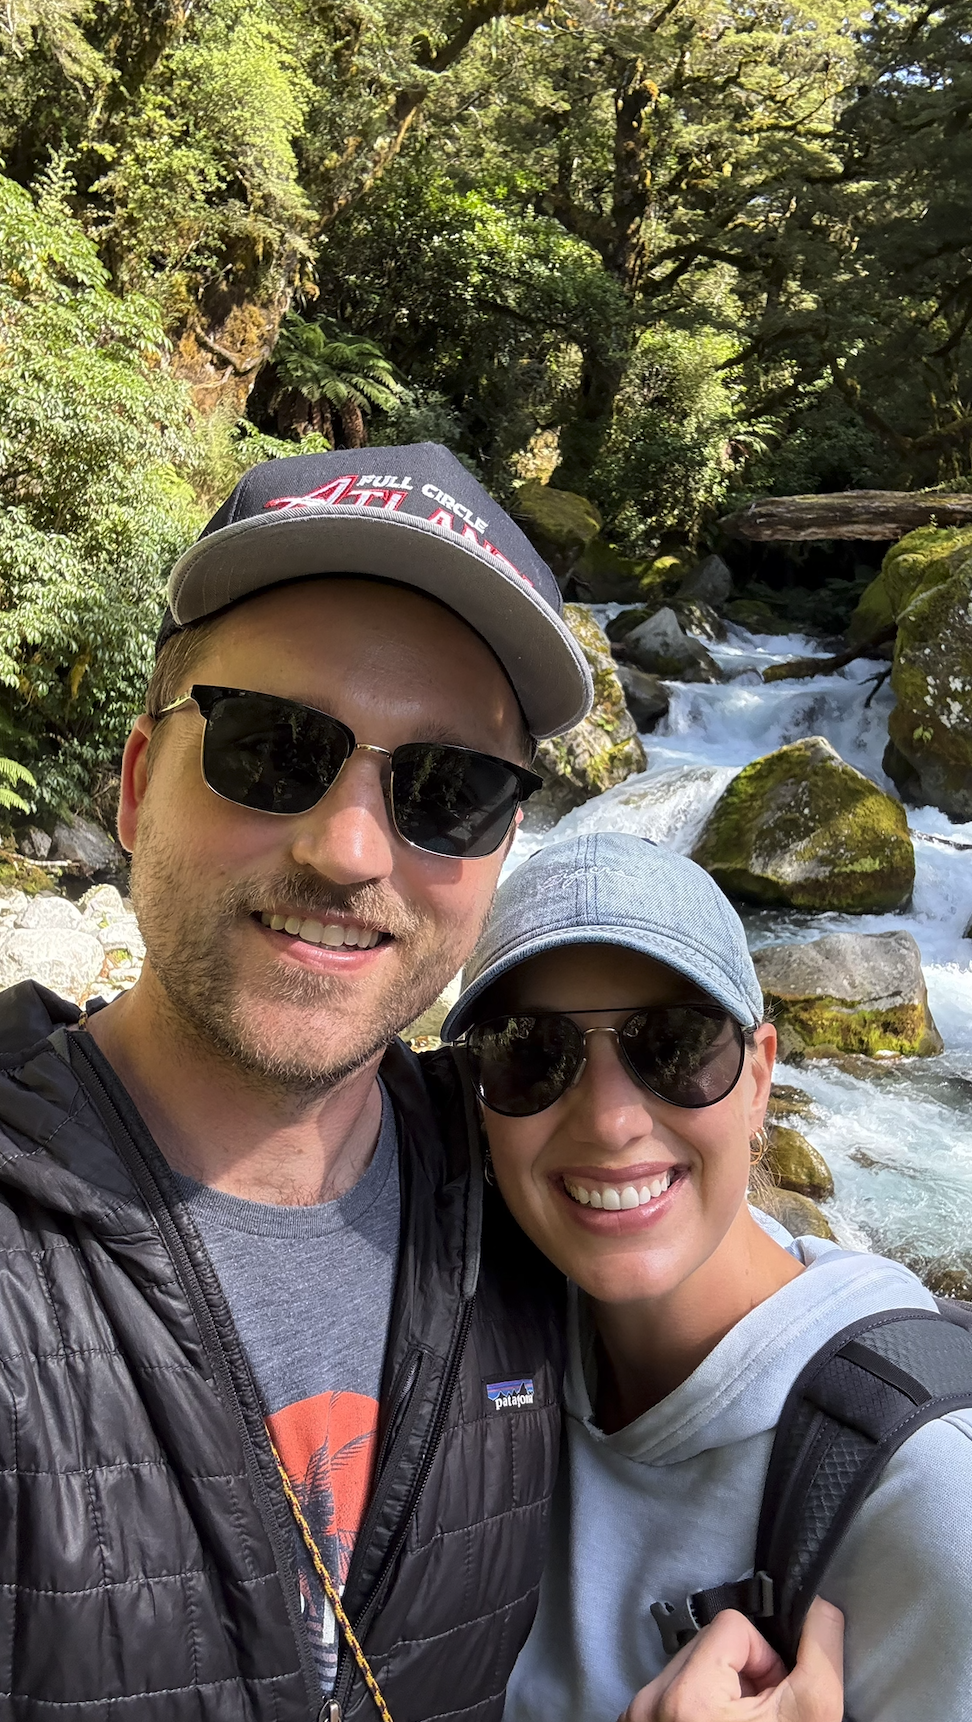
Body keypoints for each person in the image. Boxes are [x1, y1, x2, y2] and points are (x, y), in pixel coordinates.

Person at [0, 446, 837, 1722]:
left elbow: (753, 1295)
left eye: (446, 791)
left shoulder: (517, 1170)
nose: (348, 848)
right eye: (275, 750)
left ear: (501, 846)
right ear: (132, 784)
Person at [443, 830, 972, 1722]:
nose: (611, 1122)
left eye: (674, 1045)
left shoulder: (928, 1495)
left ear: (761, 1079)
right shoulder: (477, 1340)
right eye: (531, 1051)